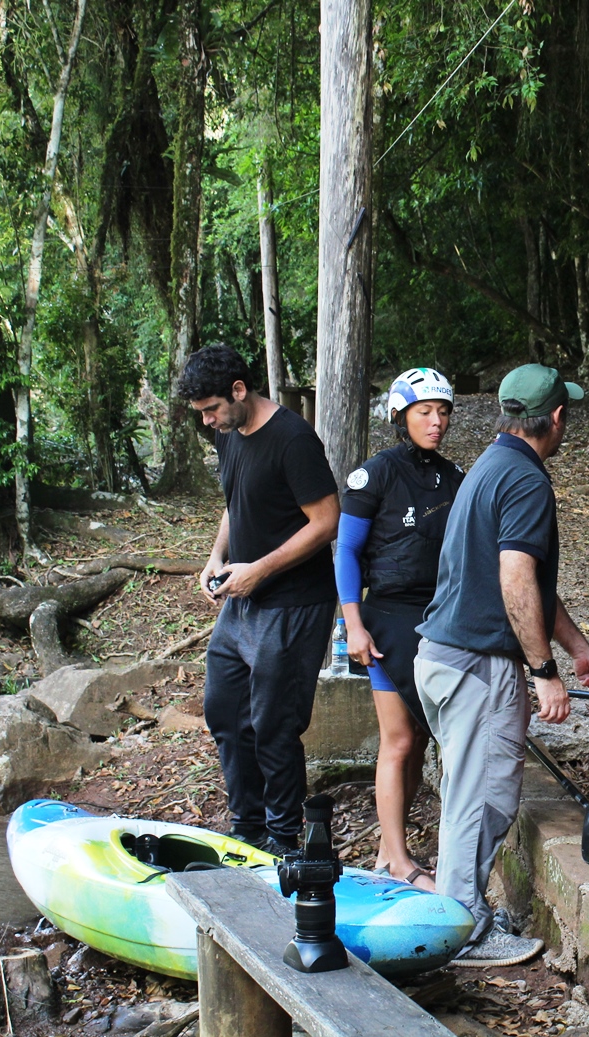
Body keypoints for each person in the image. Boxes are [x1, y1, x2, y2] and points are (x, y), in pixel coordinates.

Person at [415, 363, 589, 967]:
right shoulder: (525, 482)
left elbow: (530, 584)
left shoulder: (487, 467)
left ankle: (459, 912)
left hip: (440, 658)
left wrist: (576, 645)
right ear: (554, 418)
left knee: (466, 792)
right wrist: (543, 670)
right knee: (482, 799)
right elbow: (516, 578)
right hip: (477, 666)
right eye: (565, 415)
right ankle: (464, 932)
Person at [177, 346, 340, 857]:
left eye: (211, 409)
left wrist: (260, 570)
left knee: (274, 724)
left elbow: (327, 520)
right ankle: (246, 829)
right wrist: (216, 557)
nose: (207, 421)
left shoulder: (292, 439)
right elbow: (236, 502)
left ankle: (283, 839)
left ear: (240, 391)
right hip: (241, 600)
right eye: (201, 413)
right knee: (225, 711)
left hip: (293, 604)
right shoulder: (230, 435)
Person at [335, 368, 463, 890]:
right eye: (424, 412)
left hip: (438, 617)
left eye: (442, 412)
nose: (436, 422)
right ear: (400, 416)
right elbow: (345, 549)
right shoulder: (376, 474)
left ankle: (393, 851)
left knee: (418, 736)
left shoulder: (454, 477)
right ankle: (396, 858)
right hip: (387, 617)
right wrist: (353, 624)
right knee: (398, 738)